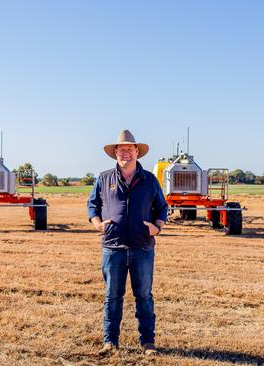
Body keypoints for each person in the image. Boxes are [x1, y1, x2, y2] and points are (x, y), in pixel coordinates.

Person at [87, 130, 168, 356]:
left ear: (137, 152)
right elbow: (92, 205)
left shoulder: (150, 180)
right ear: (115, 153)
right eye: (121, 149)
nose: (125, 152)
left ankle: (148, 342)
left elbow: (162, 207)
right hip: (112, 247)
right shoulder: (104, 178)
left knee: (144, 296)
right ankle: (110, 341)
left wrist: (157, 226)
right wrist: (97, 224)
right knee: (112, 296)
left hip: (142, 247)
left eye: (129, 149)